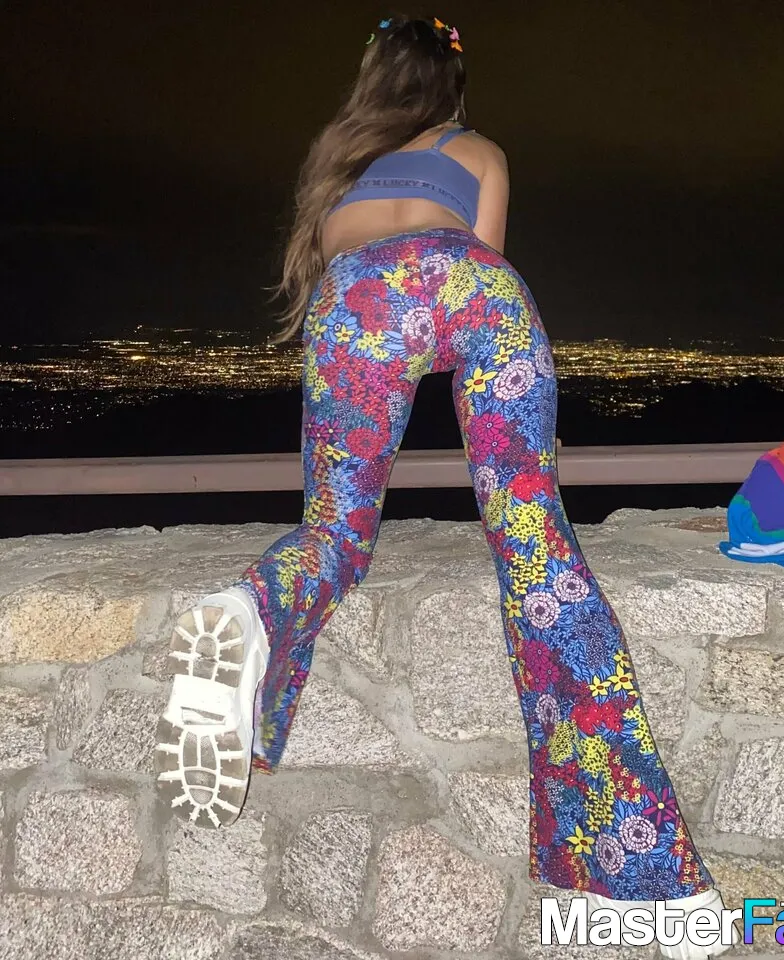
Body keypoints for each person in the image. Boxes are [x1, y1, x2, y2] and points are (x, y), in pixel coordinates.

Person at [154, 15, 738, 958]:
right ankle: (647, 888)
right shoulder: (479, 152)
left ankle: (249, 609)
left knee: (335, 537)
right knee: (537, 555)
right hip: (471, 286)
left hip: (357, 300)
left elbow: (383, 313)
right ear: (451, 90)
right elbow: (481, 266)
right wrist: (492, 396)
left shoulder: (342, 172)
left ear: (376, 84)